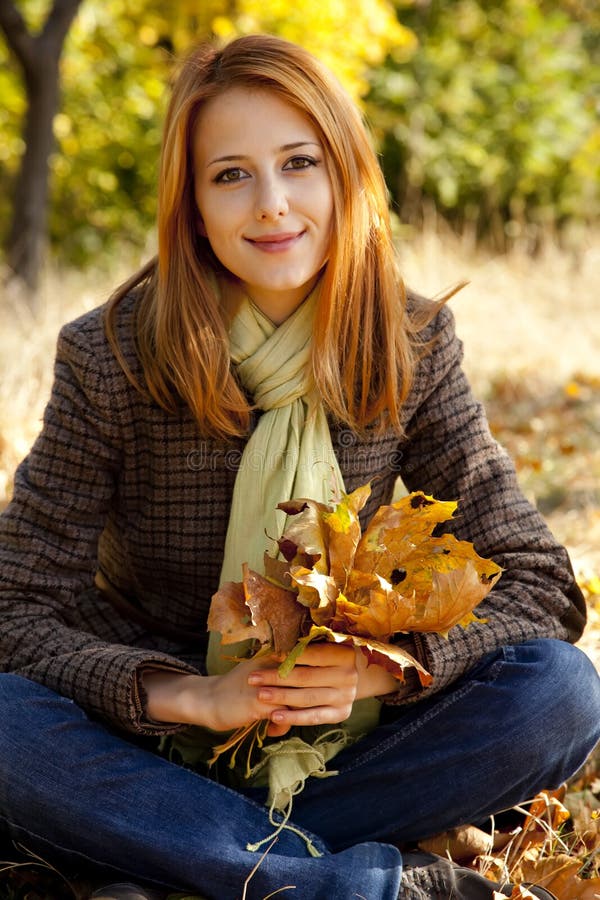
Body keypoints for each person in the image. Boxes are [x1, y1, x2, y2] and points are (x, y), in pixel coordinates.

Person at [0, 33, 598, 900]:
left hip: (351, 744)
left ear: (344, 174)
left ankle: (183, 860)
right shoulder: (113, 354)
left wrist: (387, 668)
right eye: (231, 174)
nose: (273, 205)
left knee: (562, 695)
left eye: (298, 162)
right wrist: (192, 699)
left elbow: (541, 583)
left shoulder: (408, 343)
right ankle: (363, 885)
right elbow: (15, 605)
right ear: (192, 204)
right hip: (145, 739)